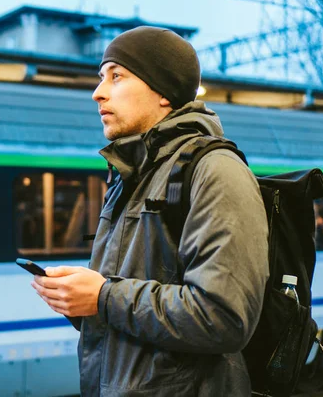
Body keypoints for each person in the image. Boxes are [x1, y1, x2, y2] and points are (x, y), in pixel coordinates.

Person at [32, 26, 269, 396]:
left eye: (117, 76)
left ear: (163, 92)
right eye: (101, 78)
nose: (98, 92)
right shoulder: (132, 176)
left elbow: (223, 318)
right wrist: (82, 302)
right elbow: (124, 307)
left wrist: (103, 297)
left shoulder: (216, 170)